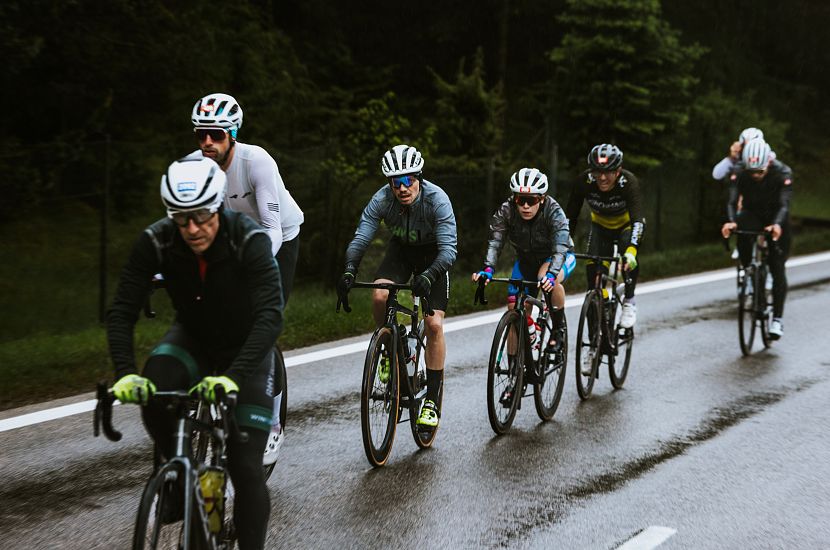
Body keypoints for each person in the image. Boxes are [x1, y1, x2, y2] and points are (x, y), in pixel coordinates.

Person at [107, 156, 281, 550]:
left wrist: (232, 378)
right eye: (181, 219)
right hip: (194, 338)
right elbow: (121, 311)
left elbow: (271, 317)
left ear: (219, 205)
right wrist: (123, 372)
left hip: (246, 347)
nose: (192, 229)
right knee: (154, 389)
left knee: (244, 465)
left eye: (202, 216)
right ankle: (183, 475)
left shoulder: (248, 240)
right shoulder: (158, 239)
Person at [190, 92, 303, 465]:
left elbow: (271, 228)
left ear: (232, 135)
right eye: (200, 135)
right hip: (234, 239)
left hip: (279, 237)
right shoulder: (194, 166)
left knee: (262, 324)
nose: (207, 142)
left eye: (216, 135)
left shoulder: (257, 162)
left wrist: (249, 267)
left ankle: (270, 423)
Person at [337, 144, 457, 429]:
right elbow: (361, 237)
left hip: (434, 256)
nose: (403, 188)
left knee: (434, 325)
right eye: (396, 182)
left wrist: (429, 276)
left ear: (419, 178)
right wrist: (349, 270)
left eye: (408, 180)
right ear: (389, 183)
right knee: (379, 295)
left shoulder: (437, 199)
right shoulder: (381, 200)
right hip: (401, 252)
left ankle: (432, 401)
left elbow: (449, 250)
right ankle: (389, 345)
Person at [472, 168, 575, 355]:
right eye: (521, 200)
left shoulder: (554, 211)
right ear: (514, 199)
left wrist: (552, 275)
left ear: (542, 199)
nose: (525, 206)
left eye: (532, 200)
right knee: (515, 311)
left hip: (558, 256)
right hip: (526, 260)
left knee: (545, 278)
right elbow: (496, 241)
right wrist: (488, 268)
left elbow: (560, 247)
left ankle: (558, 329)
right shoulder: (507, 210)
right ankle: (514, 374)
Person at [565, 144, 644, 331]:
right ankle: (603, 303)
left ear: (618, 171)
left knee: (627, 255)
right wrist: (565, 243)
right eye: (597, 171)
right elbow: (570, 216)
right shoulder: (584, 181)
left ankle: (629, 301)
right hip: (600, 228)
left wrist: (632, 250)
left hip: (625, 227)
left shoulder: (629, 182)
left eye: (607, 172)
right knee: (593, 280)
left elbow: (638, 220)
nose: (601, 177)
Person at [720, 138, 793, 339]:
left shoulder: (783, 173)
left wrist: (777, 224)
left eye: (759, 172)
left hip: (776, 216)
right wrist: (731, 221)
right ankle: (750, 271)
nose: (755, 176)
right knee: (742, 232)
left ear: (768, 163)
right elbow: (732, 201)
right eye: (752, 172)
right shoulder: (740, 170)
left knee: (777, 266)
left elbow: (784, 205)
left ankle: (777, 319)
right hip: (752, 213)